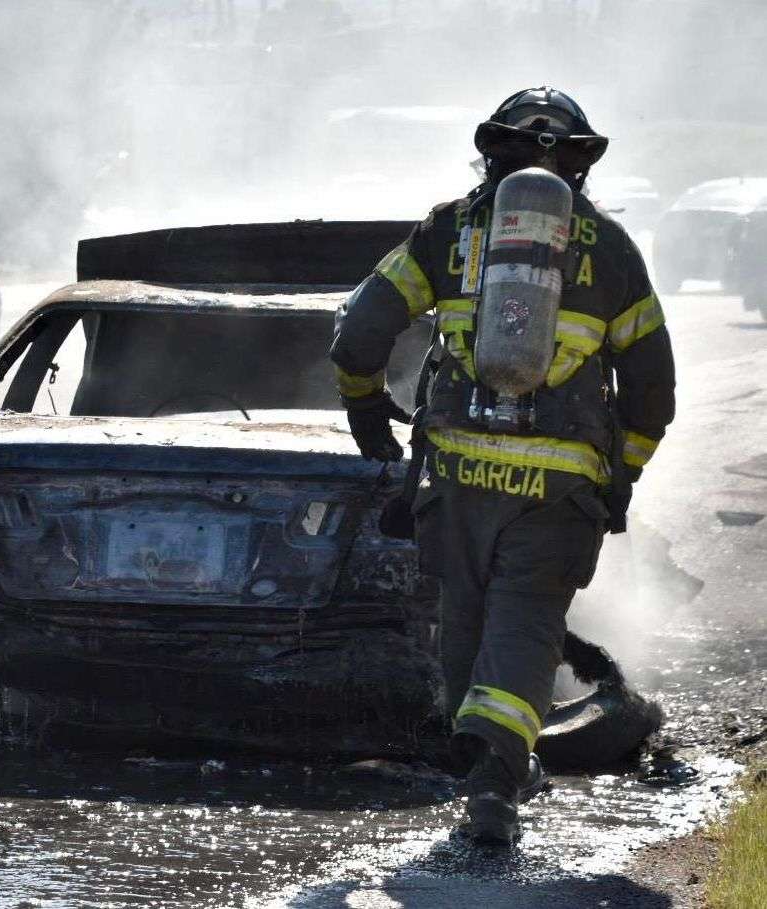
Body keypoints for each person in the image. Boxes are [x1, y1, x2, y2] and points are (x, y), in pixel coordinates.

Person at [329, 87, 675, 843]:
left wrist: (363, 407)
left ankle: (487, 754)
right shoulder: (609, 247)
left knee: (466, 615)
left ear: (490, 152)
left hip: (456, 476)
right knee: (524, 622)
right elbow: (651, 389)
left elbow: (358, 329)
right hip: (556, 487)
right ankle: (493, 779)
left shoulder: (447, 231)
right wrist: (623, 476)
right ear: (579, 164)